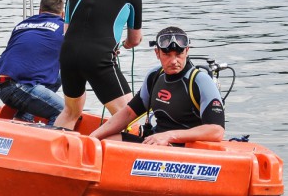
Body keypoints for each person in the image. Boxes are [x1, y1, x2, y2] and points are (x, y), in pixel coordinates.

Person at [54, 0, 143, 130]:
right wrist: (124, 45)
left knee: (70, 112)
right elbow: (134, 39)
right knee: (129, 116)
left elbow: (67, 31)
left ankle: (55, 150)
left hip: (68, 54)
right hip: (99, 58)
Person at [89, 27, 225, 146]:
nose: (173, 61)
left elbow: (217, 130)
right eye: (167, 54)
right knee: (106, 141)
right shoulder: (154, 76)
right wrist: (92, 138)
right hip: (155, 141)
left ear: (187, 51)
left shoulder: (200, 81)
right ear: (157, 53)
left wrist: (169, 136)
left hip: (186, 148)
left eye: (179, 54)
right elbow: (129, 113)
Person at [0, 0, 65, 124]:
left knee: (57, 78)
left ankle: (23, 118)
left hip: (0, 85)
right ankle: (46, 142)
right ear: (63, 14)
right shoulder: (64, 28)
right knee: (64, 112)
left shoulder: (23, 24)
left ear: (39, 11)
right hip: (18, 88)